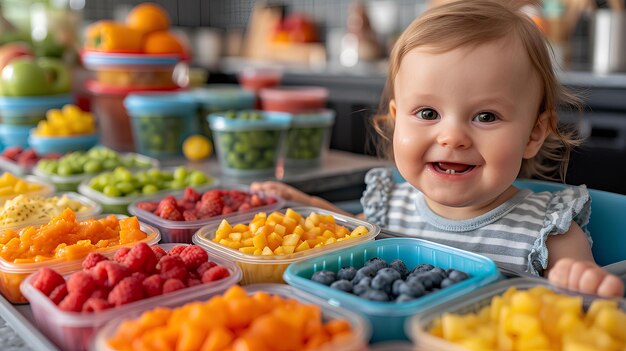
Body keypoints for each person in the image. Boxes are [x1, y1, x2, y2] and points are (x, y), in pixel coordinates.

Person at [251, 0, 624, 297]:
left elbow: (581, 288)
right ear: (397, 121)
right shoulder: (387, 205)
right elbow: (350, 239)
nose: (452, 137)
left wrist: (579, 279)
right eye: (428, 113)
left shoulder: (550, 229)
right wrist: (304, 207)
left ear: (532, 135)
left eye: (485, 116)